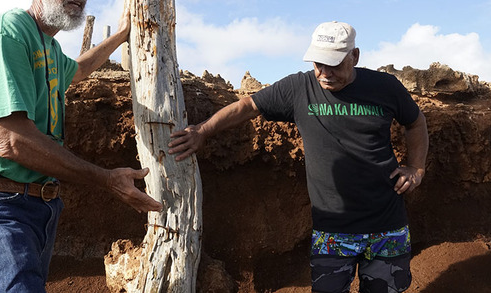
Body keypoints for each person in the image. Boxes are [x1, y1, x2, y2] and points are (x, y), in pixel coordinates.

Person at [0, 0, 162, 292]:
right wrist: (107, 179)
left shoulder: (46, 44)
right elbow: (13, 141)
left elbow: (77, 71)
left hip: (38, 207)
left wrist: (121, 36)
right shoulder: (10, 32)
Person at [169, 21, 428, 293]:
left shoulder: (384, 87)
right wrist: (202, 130)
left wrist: (416, 167)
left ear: (355, 56)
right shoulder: (299, 88)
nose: (324, 73)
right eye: (319, 64)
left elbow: (415, 122)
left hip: (386, 229)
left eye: (334, 65)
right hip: (332, 232)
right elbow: (248, 106)